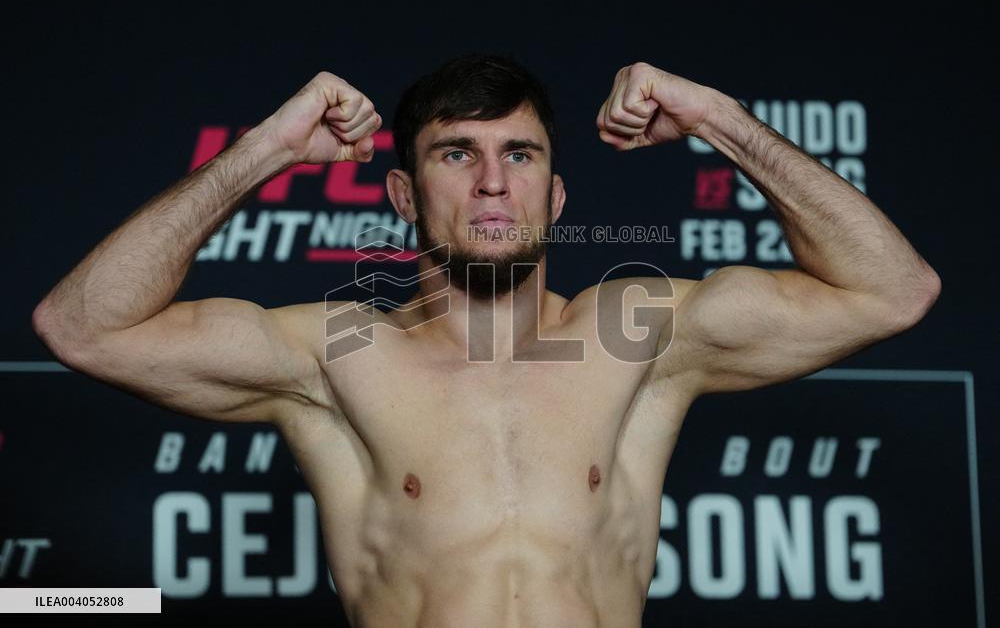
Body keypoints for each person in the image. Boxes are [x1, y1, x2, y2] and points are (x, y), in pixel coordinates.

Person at [31, 53, 940, 627]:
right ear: (401, 194)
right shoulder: (337, 355)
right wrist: (265, 150)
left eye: (522, 155)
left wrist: (717, 121)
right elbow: (82, 327)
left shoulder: (639, 337)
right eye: (457, 153)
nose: (494, 183)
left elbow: (893, 291)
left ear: (557, 197)